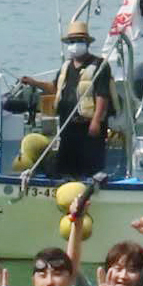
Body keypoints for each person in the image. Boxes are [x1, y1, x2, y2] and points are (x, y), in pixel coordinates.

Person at [44, 19, 114, 180]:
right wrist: (33, 82)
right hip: (68, 125)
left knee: (91, 166)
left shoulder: (99, 65)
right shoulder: (66, 66)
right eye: (72, 41)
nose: (75, 45)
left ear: (87, 43)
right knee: (66, 166)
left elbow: (102, 95)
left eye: (79, 41)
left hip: (88, 126)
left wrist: (96, 121)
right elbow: (55, 88)